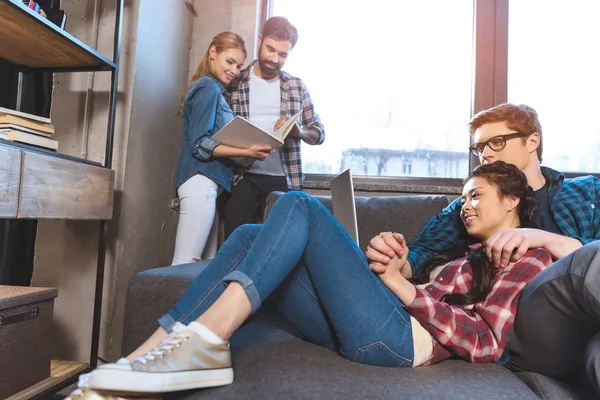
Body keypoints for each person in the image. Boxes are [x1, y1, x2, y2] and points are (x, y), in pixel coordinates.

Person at [69, 161, 552, 398]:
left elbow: (488, 342)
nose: (466, 205)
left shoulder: (529, 259)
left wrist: (404, 290)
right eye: (463, 197)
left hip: (402, 344)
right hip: (385, 323)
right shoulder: (467, 256)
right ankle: (133, 366)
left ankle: (205, 343)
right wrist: (394, 268)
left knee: (299, 202)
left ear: (512, 200)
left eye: (477, 195)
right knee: (247, 235)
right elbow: (423, 294)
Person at [367, 103, 600, 392]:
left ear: (532, 141)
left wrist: (547, 239)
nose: (485, 154)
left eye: (497, 142)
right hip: (528, 318)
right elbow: (419, 254)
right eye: (479, 147)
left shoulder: (586, 192)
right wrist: (396, 260)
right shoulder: (466, 208)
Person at [170, 32, 272, 265]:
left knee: (203, 266)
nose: (235, 71)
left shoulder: (215, 90)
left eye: (239, 66)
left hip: (208, 185)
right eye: (230, 62)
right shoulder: (208, 88)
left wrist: (247, 153)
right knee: (185, 264)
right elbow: (200, 145)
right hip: (199, 182)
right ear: (213, 53)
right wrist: (245, 152)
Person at [223, 16, 325, 239]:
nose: (274, 58)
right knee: (234, 243)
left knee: (280, 246)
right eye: (270, 49)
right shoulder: (236, 80)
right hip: (242, 177)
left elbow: (319, 133)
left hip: (284, 179)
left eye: (282, 54)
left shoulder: (296, 86)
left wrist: (299, 131)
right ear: (259, 40)